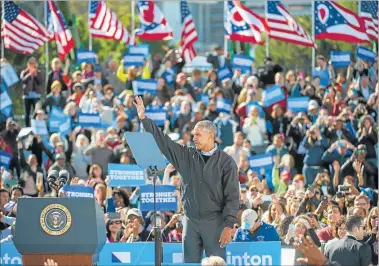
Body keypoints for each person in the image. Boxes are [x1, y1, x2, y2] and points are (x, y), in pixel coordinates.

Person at [134, 96, 239, 263]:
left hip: (215, 222)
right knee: (189, 263)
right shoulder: (186, 155)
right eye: (193, 134)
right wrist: (144, 119)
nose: (194, 137)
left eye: (198, 134)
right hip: (190, 222)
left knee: (217, 263)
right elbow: (164, 141)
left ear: (211, 135)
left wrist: (228, 225)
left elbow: (233, 197)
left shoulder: (227, 162)